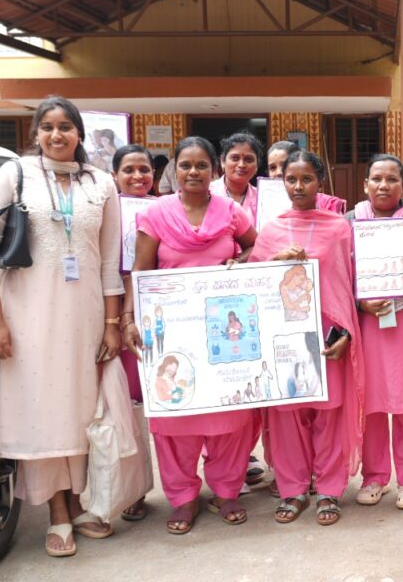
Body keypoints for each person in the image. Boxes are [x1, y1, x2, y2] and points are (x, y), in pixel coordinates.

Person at [0, 96, 122, 557]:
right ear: (35, 133)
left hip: (85, 314)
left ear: (79, 133)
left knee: (81, 409)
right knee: (43, 410)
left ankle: (78, 502)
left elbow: (111, 260)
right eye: (47, 127)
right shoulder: (14, 175)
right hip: (29, 314)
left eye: (65, 126)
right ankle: (57, 512)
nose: (57, 135)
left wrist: (112, 323)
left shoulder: (101, 182)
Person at [122, 136, 259, 534]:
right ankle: (182, 497)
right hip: (173, 334)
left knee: (228, 417)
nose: (193, 172)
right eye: (185, 165)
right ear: (175, 171)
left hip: (223, 334)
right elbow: (141, 270)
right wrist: (128, 317)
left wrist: (239, 261)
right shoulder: (156, 213)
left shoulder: (231, 211)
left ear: (213, 170)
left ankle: (226, 490)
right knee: (177, 416)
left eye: (201, 165)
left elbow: (256, 247)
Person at [249, 150, 364, 527]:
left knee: (328, 415)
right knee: (288, 417)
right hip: (283, 336)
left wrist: (346, 332)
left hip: (328, 333)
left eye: (306, 179)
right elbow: (254, 283)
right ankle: (293, 489)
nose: (298, 186)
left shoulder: (339, 227)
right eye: (291, 179)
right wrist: (277, 261)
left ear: (320, 182)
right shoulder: (271, 230)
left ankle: (329, 490)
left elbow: (349, 282)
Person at [347, 154, 403, 511]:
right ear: (365, 184)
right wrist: (360, 302)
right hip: (369, 323)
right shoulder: (350, 222)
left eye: (391, 179)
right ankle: (375, 477)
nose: (383, 186)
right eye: (376, 179)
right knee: (370, 403)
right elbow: (339, 274)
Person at [111, 143, 157, 522]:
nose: (138, 176)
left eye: (144, 170)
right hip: (119, 315)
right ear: (115, 176)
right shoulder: (107, 213)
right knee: (129, 408)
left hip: (160, 313)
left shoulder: (165, 210)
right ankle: (134, 489)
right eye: (129, 170)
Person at [267, 140, 347, 214]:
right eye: (272, 167)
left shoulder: (328, 204)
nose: (278, 172)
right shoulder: (264, 201)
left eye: (284, 166)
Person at [212, 131, 263, 220]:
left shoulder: (262, 198)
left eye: (248, 159)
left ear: (257, 165)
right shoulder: (206, 193)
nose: (241, 165)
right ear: (222, 161)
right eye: (235, 158)